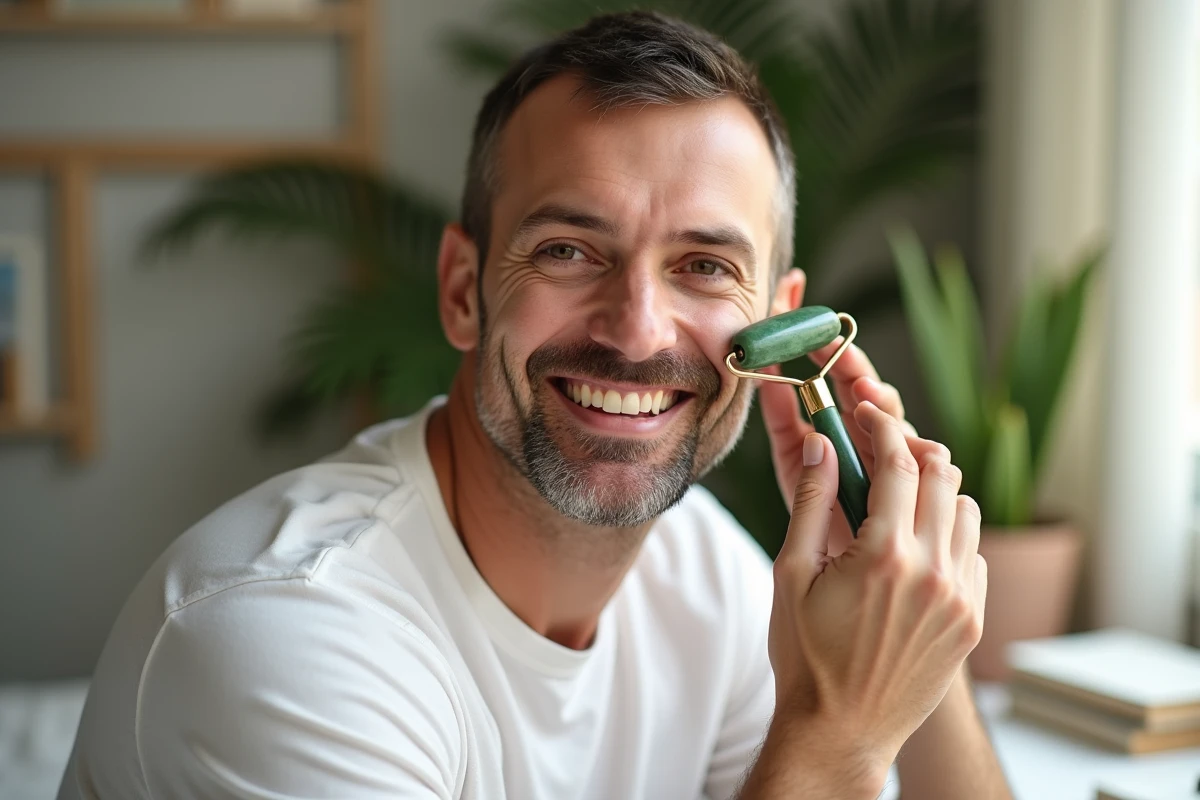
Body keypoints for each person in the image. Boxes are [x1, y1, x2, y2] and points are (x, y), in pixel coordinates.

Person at [59, 11, 1012, 800]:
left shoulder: (706, 577)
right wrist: (838, 735)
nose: (638, 331)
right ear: (465, 290)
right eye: (568, 249)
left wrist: (913, 622)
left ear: (782, 326)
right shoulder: (281, 641)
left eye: (704, 266)